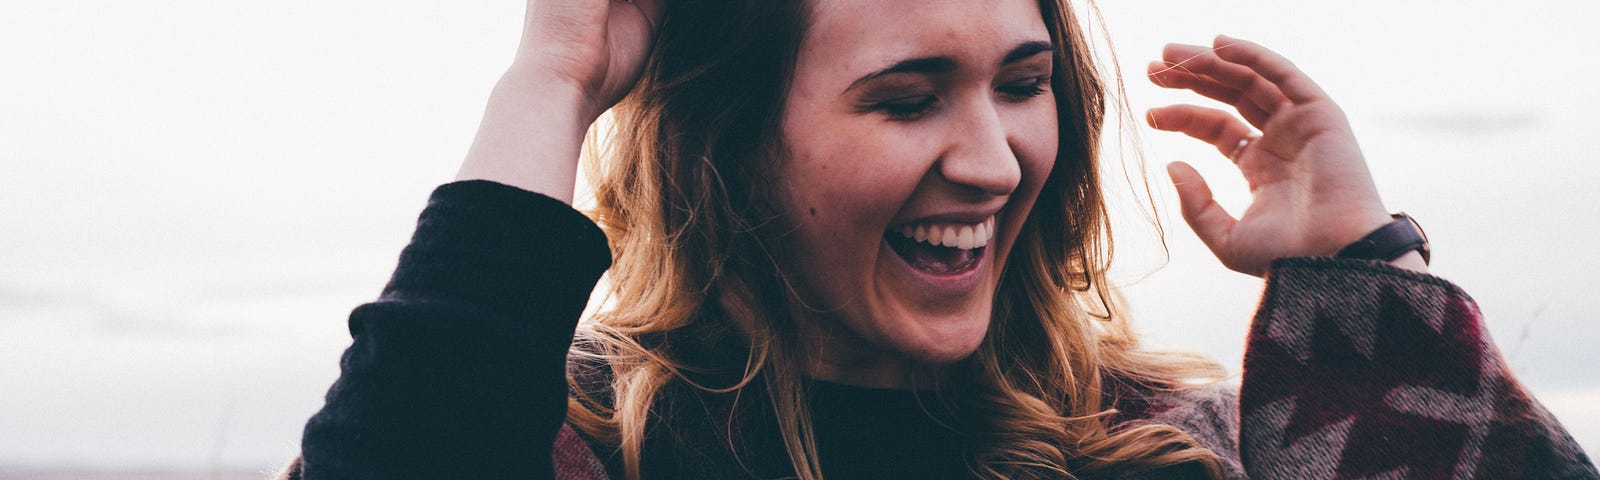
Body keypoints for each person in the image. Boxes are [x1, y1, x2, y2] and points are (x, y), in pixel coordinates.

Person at [276, 0, 1598, 478]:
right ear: (731, 146)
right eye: (907, 98)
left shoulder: (1159, 451)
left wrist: (1365, 286)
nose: (992, 156)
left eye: (1023, 85)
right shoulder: (581, 445)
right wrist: (548, 84)